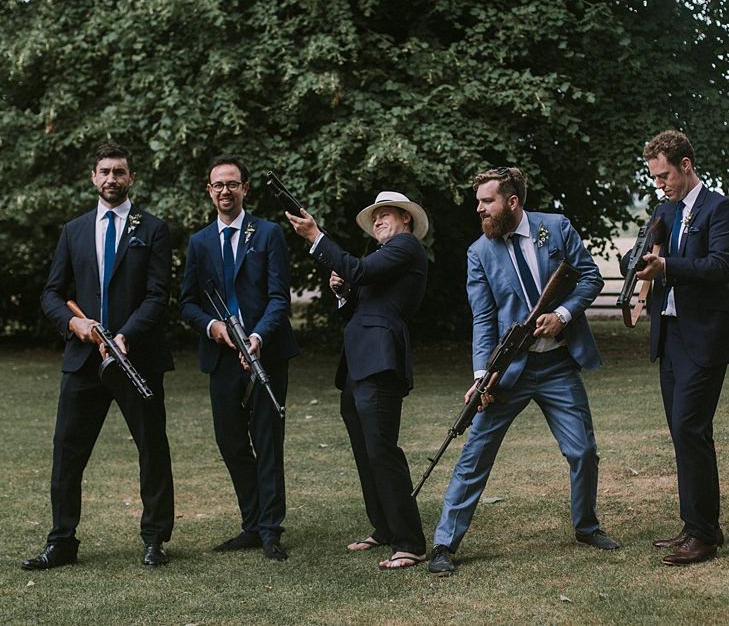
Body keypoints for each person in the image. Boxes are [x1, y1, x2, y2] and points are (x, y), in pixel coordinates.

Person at [428, 166, 619, 576]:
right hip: (508, 370)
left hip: (558, 366)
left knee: (582, 451)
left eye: (486, 201)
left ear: (512, 202)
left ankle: (586, 527)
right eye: (478, 202)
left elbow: (590, 277)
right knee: (475, 454)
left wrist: (563, 315)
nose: (479, 209)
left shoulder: (556, 227)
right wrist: (482, 376)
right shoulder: (478, 252)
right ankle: (444, 543)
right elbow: (483, 319)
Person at [22, 143, 175, 570]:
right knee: (67, 452)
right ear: (93, 177)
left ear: (131, 178)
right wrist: (75, 325)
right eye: (104, 171)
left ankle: (154, 539)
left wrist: (126, 334)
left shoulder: (153, 228)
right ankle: (62, 542)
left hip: (135, 358)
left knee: (152, 449)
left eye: (120, 172)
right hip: (83, 360)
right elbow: (53, 293)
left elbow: (157, 295)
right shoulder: (73, 230)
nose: (112, 179)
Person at [287, 191, 429, 569]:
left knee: (382, 449)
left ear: (407, 220)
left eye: (386, 215)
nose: (378, 221)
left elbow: (361, 272)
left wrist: (317, 236)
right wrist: (342, 292)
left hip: (380, 363)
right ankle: (383, 528)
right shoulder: (382, 258)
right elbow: (360, 302)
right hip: (357, 364)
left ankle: (410, 542)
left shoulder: (407, 247)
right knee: (365, 451)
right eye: (375, 216)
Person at [180, 155, 298, 562]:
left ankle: (270, 530)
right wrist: (214, 328)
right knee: (231, 441)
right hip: (222, 355)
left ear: (245, 188)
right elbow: (187, 303)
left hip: (265, 351)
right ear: (209, 190)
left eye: (232, 184)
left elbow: (280, 297)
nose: (225, 191)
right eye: (218, 185)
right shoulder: (199, 242)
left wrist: (258, 336)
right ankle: (252, 521)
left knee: (267, 440)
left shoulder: (267, 234)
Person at [627, 130, 729, 565]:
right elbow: (645, 257)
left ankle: (704, 535)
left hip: (704, 338)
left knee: (690, 429)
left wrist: (667, 265)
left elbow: (721, 266)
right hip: (669, 338)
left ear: (686, 165)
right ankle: (696, 527)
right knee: (682, 433)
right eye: (654, 177)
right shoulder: (664, 211)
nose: (660, 184)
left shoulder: (719, 207)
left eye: (664, 175)